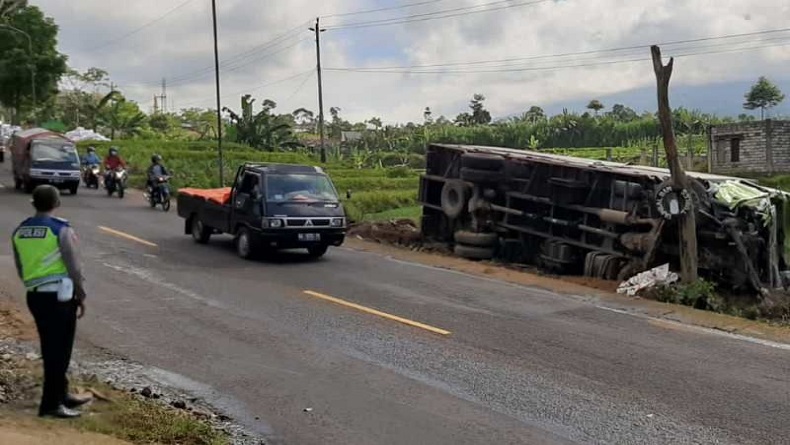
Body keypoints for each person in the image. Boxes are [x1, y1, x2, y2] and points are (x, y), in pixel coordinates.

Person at [11, 185, 90, 418]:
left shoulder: (20, 230)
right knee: (59, 351)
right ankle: (50, 404)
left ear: (34, 204)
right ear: (57, 203)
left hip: (35, 295)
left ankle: (61, 395)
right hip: (59, 297)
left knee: (53, 347)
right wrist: (81, 295)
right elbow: (74, 266)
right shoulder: (61, 230)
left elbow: (20, 266)